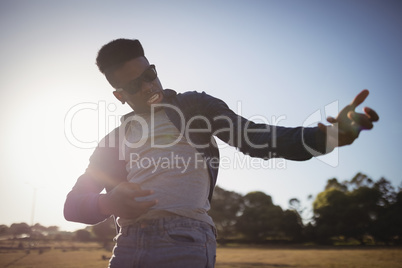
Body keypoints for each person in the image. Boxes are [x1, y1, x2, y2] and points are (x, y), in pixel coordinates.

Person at [64, 39, 379, 267]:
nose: (148, 87)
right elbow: (73, 205)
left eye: (150, 75)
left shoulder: (194, 106)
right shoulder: (113, 140)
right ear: (119, 95)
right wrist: (108, 201)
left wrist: (326, 138)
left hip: (183, 241)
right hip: (127, 247)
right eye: (135, 86)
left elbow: (256, 138)